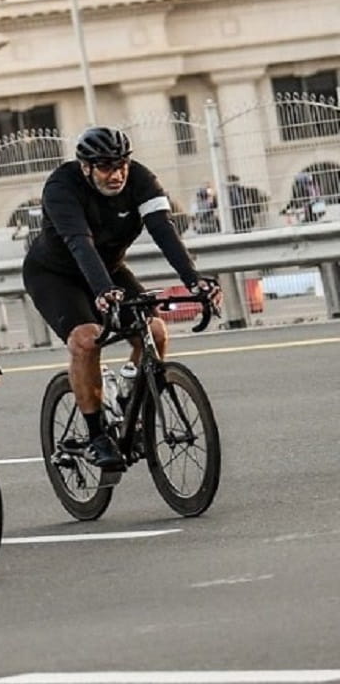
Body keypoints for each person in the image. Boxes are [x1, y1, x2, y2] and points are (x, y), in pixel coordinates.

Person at [22, 127, 221, 470]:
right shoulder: (61, 187)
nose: (116, 175)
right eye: (105, 167)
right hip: (57, 275)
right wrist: (102, 291)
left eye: (121, 165)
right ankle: (97, 435)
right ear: (86, 167)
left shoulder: (141, 179)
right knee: (87, 341)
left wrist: (194, 280)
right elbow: (79, 243)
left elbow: (163, 229)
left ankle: (131, 394)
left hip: (110, 270)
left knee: (154, 331)